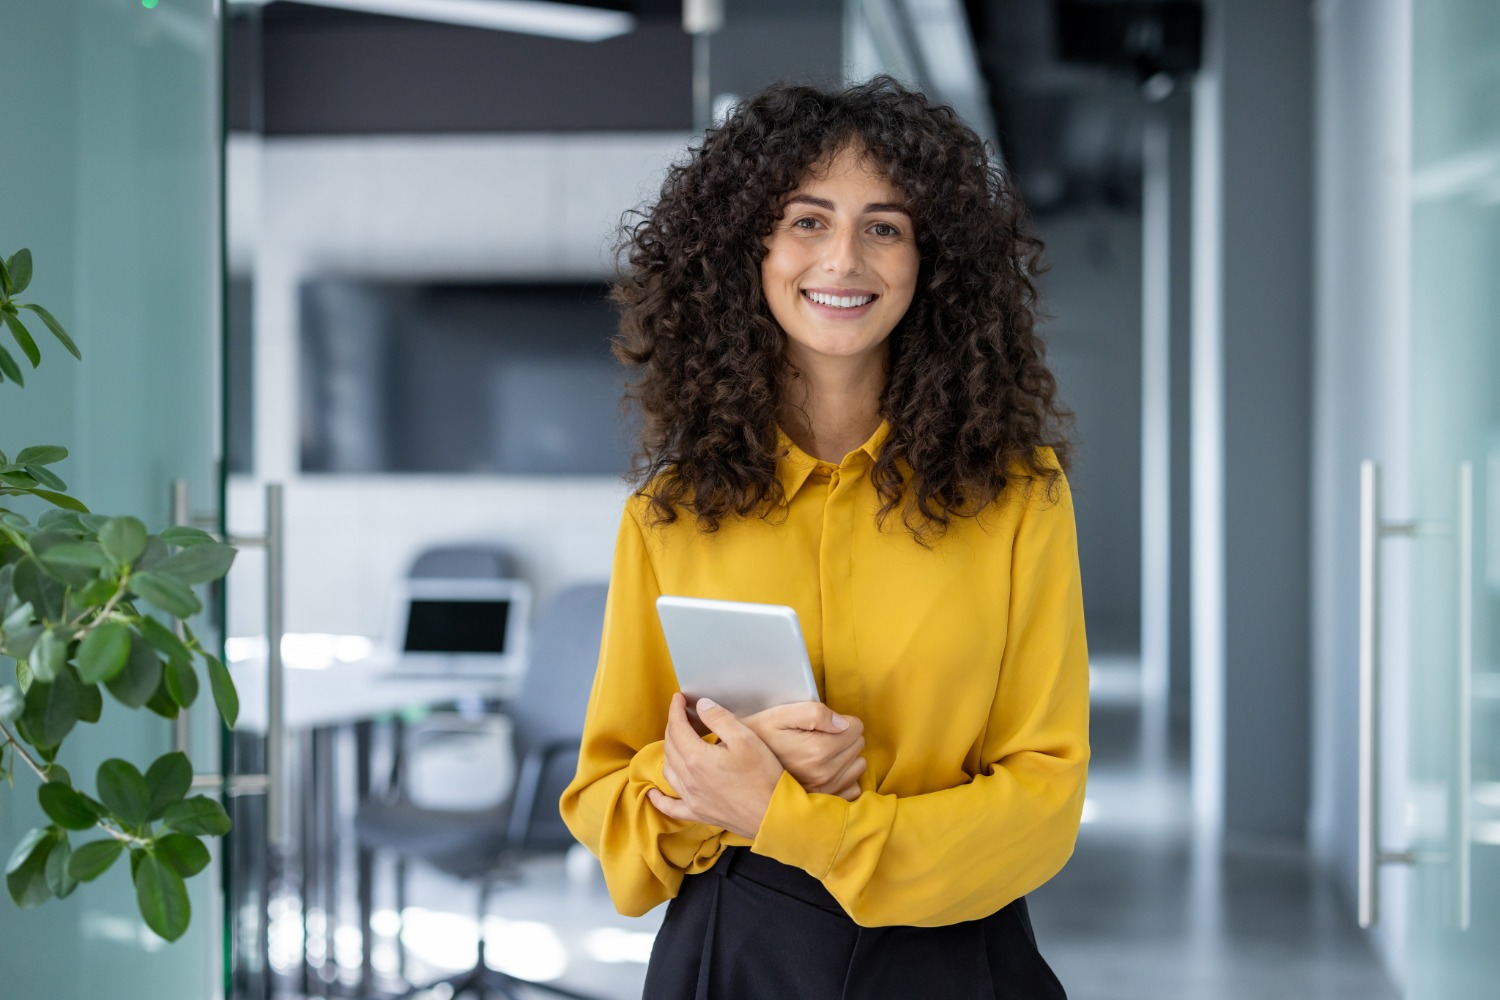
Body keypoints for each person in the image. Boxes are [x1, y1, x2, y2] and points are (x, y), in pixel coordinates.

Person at [560, 76, 1088, 999]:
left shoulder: (1019, 500)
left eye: (884, 226)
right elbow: (607, 807)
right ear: (747, 249)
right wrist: (718, 775)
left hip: (954, 953)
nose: (844, 258)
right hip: (734, 949)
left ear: (931, 262)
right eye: (808, 220)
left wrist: (787, 815)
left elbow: (1044, 802)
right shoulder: (668, 517)